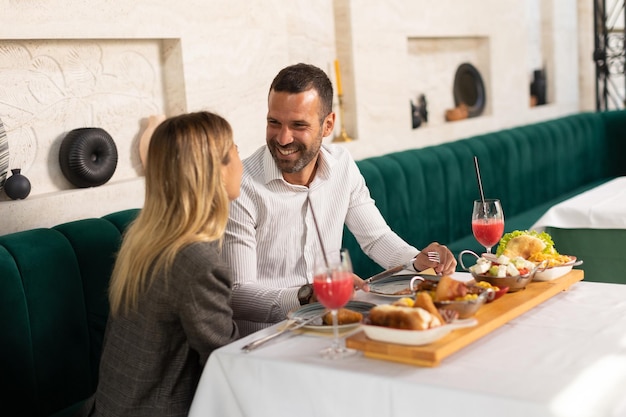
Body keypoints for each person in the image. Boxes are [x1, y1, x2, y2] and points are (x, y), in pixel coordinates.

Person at [224, 63, 456, 336]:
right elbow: (237, 294)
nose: (283, 138)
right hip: (270, 338)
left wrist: (420, 259)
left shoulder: (342, 165)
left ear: (328, 125)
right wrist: (308, 294)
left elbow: (377, 238)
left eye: (298, 125)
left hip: (332, 326)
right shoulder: (242, 187)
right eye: (274, 122)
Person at [79, 111, 242, 417]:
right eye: (235, 150)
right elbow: (225, 362)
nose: (240, 161)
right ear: (215, 171)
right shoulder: (196, 260)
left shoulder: (146, 237)